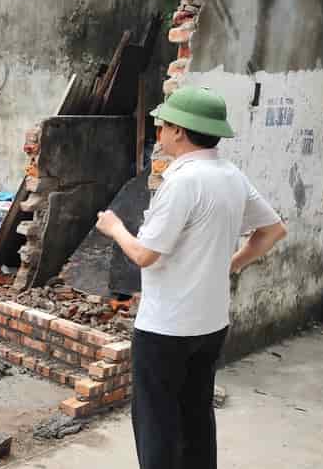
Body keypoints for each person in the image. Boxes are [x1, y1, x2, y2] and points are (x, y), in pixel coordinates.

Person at [94, 86, 287, 469]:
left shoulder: (183, 183)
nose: (159, 134)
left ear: (179, 131)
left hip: (166, 328)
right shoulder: (231, 176)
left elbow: (145, 255)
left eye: (162, 126)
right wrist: (231, 264)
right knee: (196, 414)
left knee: (157, 422)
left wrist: (114, 227)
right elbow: (273, 230)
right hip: (211, 323)